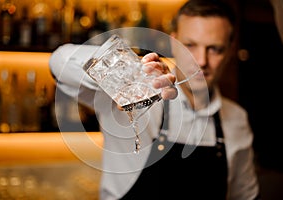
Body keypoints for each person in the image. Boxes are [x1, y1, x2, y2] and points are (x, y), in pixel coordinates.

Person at [49, 0, 260, 199]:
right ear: (173, 41)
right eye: (191, 45)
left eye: (215, 49)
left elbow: (244, 195)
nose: (201, 61)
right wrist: (133, 73)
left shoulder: (237, 119)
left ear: (230, 50)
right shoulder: (136, 97)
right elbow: (60, 62)